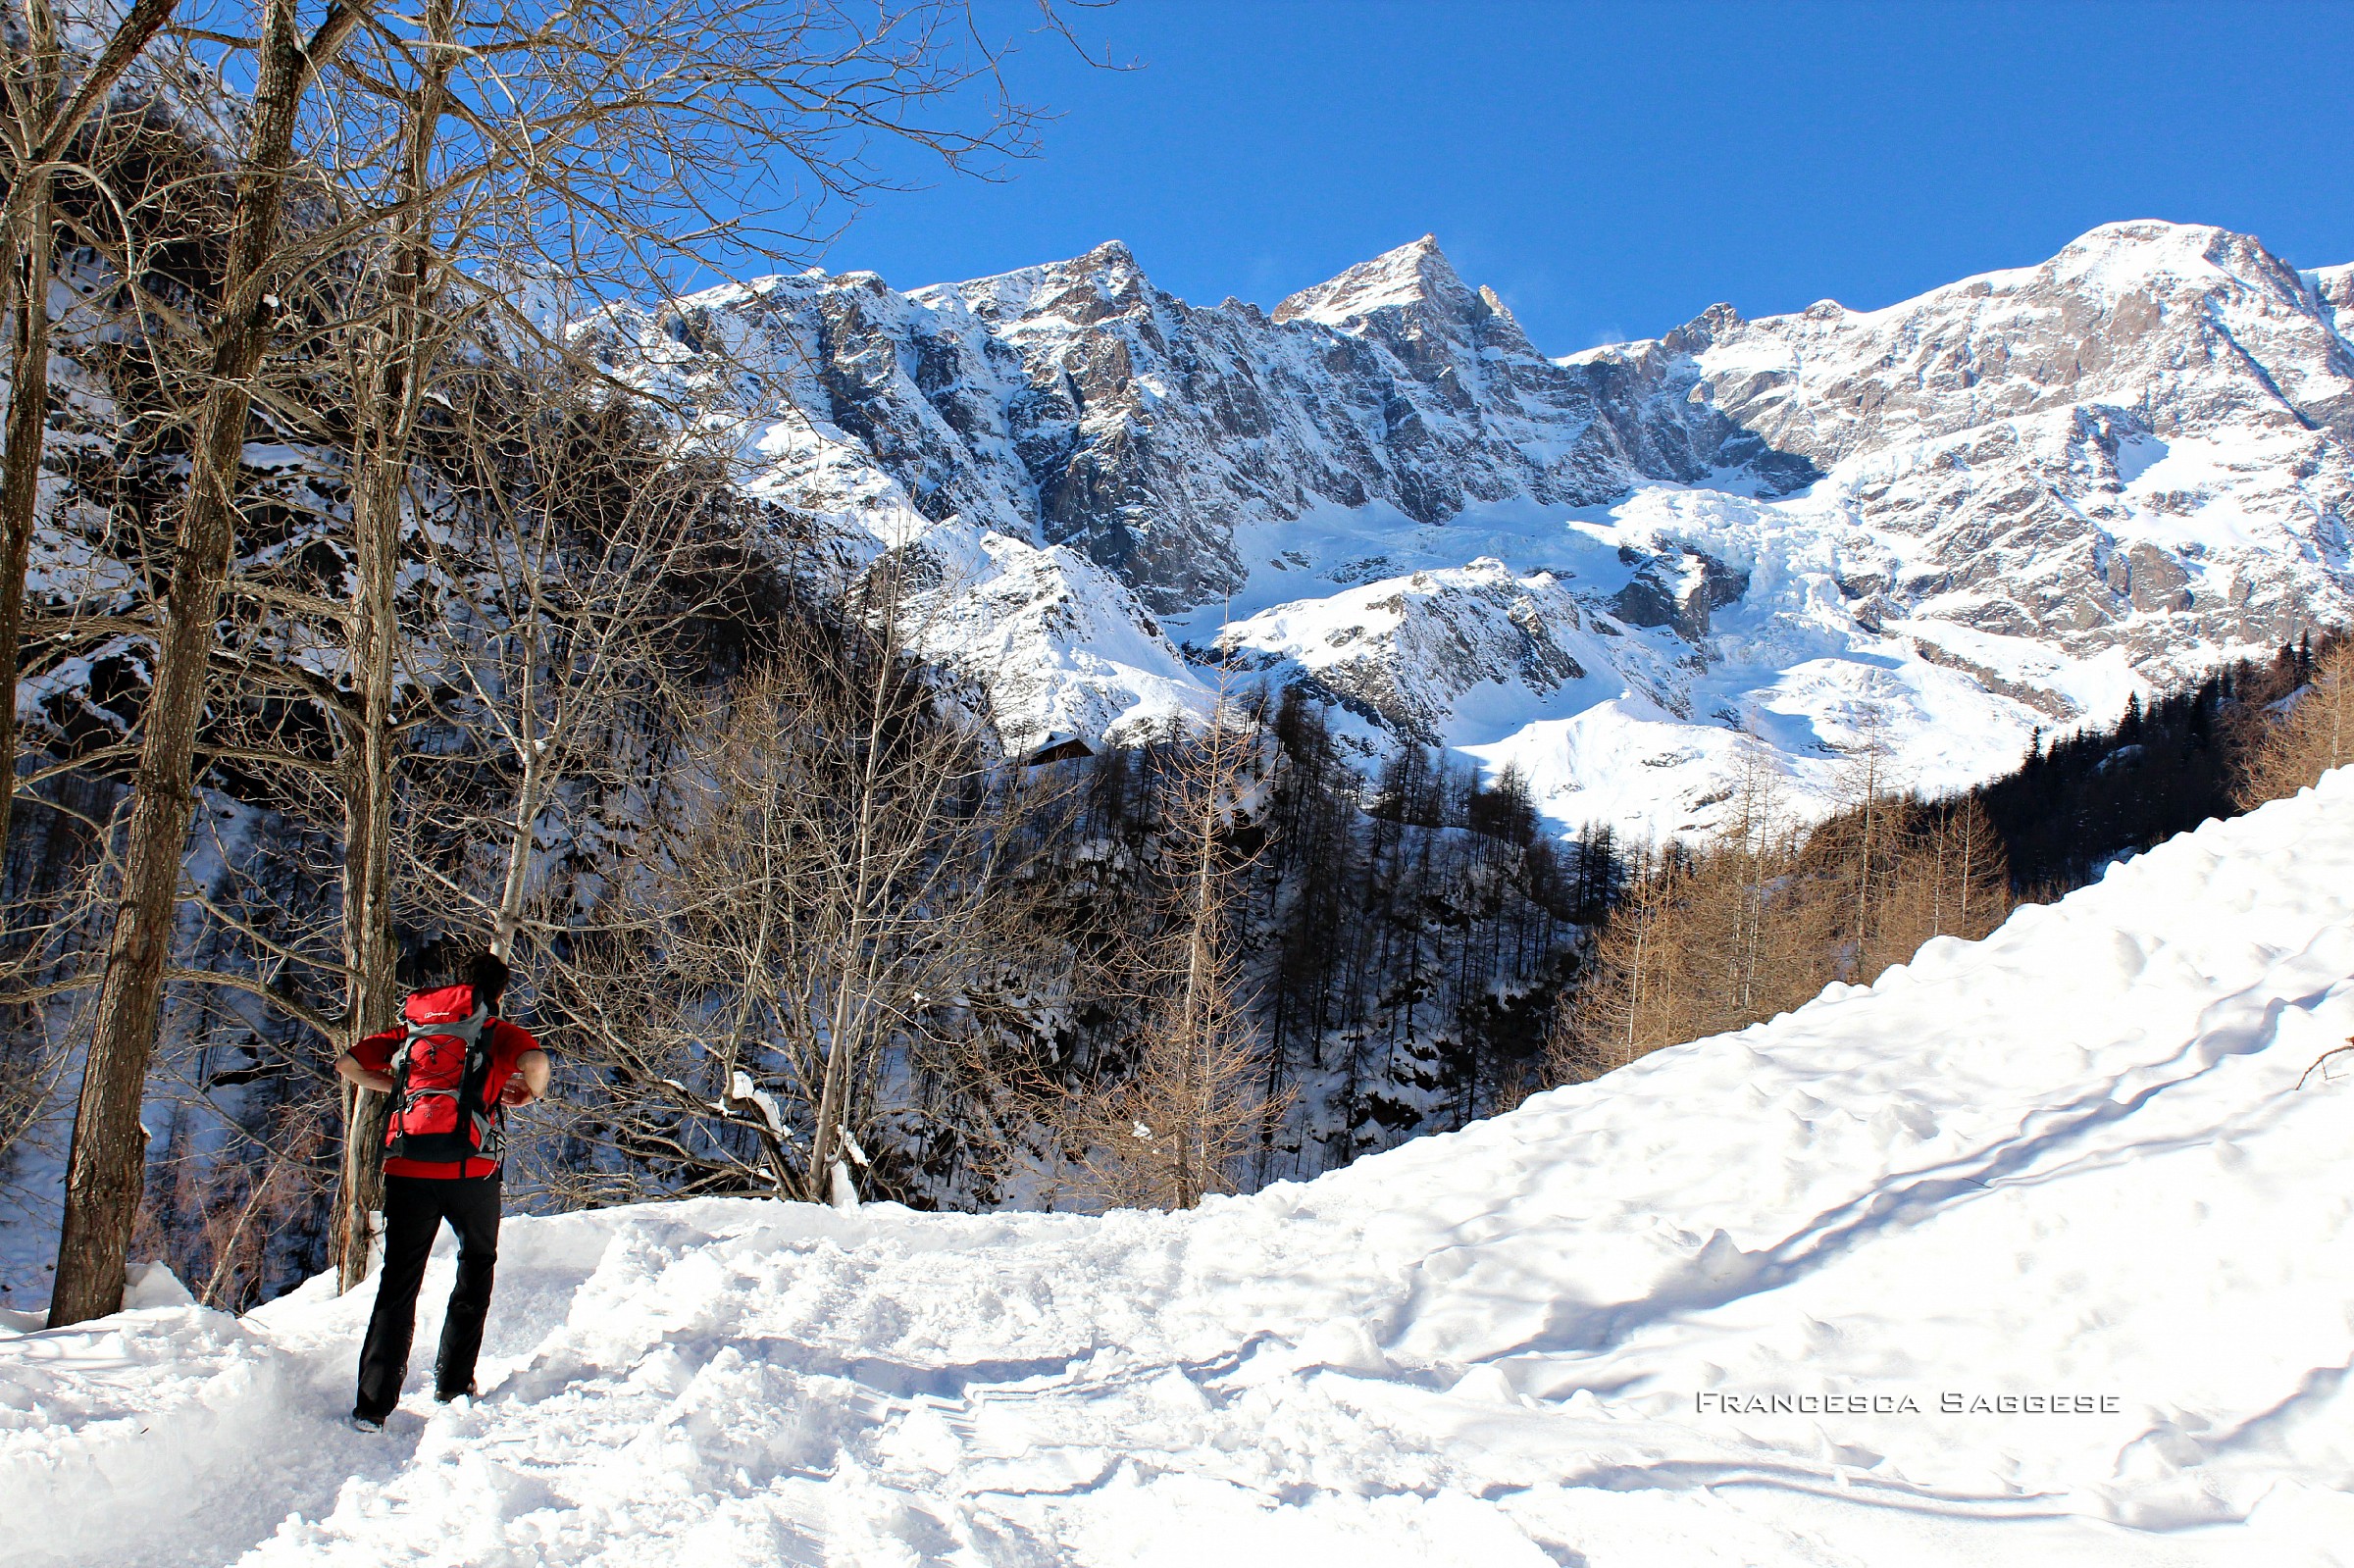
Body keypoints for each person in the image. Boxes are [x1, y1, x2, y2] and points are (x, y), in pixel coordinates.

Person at [337, 949, 549, 1432]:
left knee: (399, 1279)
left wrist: (389, 1086)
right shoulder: (495, 1031)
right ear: (496, 994)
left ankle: (372, 1406)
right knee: (476, 1265)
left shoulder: (413, 1031)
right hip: (470, 1172)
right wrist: (528, 1092)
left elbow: (348, 1064)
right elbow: (536, 1061)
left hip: (408, 1168)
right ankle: (452, 1384)